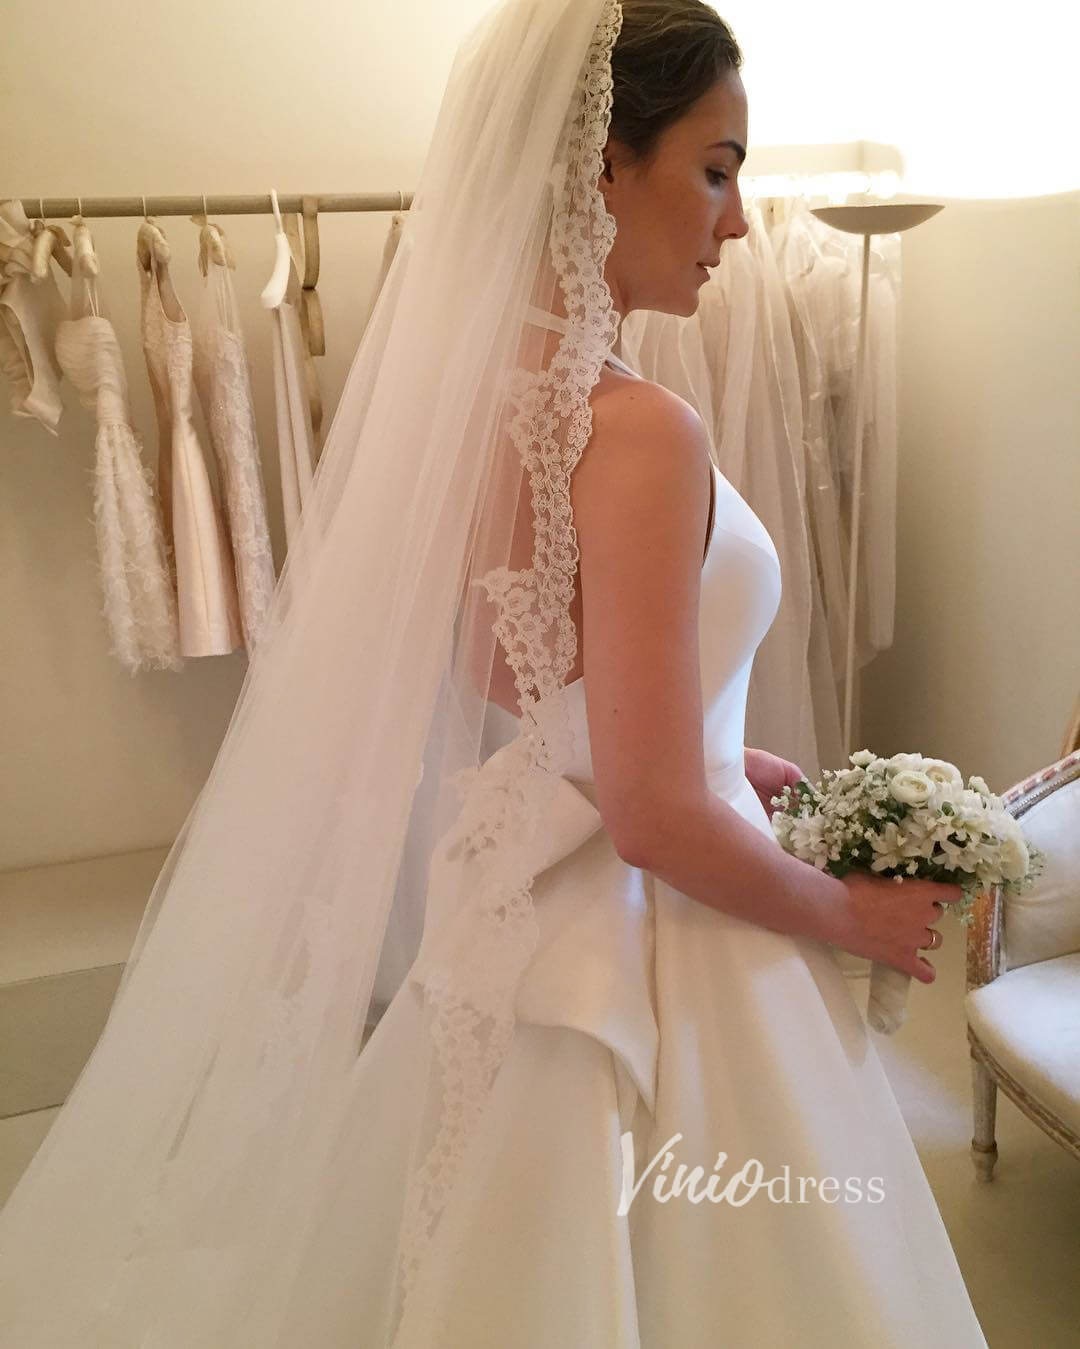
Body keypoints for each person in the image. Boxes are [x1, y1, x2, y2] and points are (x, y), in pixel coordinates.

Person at [0, 2, 987, 1345]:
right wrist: (845, 913)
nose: (740, 224)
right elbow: (652, 817)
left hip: (535, 890)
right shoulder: (638, 429)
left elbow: (527, 671)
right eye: (715, 170)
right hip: (656, 926)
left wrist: (709, 744)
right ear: (603, 169)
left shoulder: (473, 395)